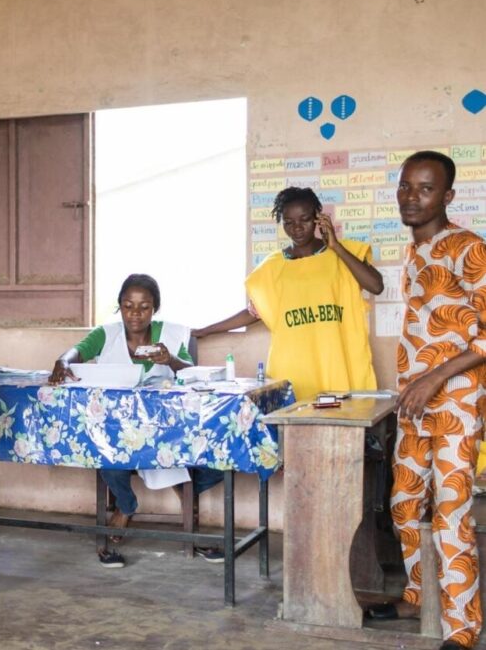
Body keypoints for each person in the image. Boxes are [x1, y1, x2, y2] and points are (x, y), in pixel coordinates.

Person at [364, 151, 486, 650]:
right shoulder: (414, 253)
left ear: (448, 197)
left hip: (454, 402)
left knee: (451, 514)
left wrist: (435, 377)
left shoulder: (468, 248)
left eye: (426, 188)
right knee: (404, 504)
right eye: (405, 186)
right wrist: (414, 385)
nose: (411, 197)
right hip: (415, 404)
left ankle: (461, 630)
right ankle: (417, 596)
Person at [49, 273, 224, 566]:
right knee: (103, 451)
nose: (136, 313)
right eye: (129, 305)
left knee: (220, 461)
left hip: (166, 432)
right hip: (117, 430)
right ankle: (126, 505)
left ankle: (184, 489)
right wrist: (63, 361)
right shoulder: (106, 334)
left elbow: (192, 374)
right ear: (120, 306)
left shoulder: (170, 335)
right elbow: (76, 351)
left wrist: (170, 360)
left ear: (154, 308)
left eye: (144, 306)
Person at [192, 186, 384, 402]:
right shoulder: (272, 267)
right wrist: (205, 330)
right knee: (293, 428)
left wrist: (336, 246)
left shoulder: (343, 253)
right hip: (294, 368)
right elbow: (254, 312)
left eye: (304, 219)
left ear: (318, 219)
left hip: (336, 362)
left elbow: (376, 285)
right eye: (289, 222)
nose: (297, 228)